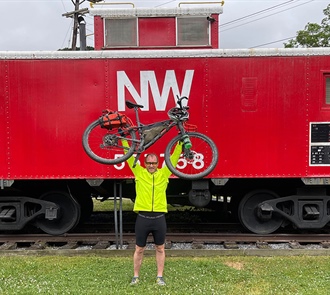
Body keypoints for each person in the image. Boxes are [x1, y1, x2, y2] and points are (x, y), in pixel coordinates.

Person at [122, 140, 182, 286]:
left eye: (154, 163)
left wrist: (180, 143)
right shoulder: (139, 172)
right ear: (145, 163)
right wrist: (123, 140)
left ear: (157, 163)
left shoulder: (164, 173)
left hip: (159, 218)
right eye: (149, 163)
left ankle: (159, 277)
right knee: (139, 248)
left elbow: (173, 157)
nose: (151, 166)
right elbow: (128, 156)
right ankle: (135, 276)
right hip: (142, 218)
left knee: (160, 248)